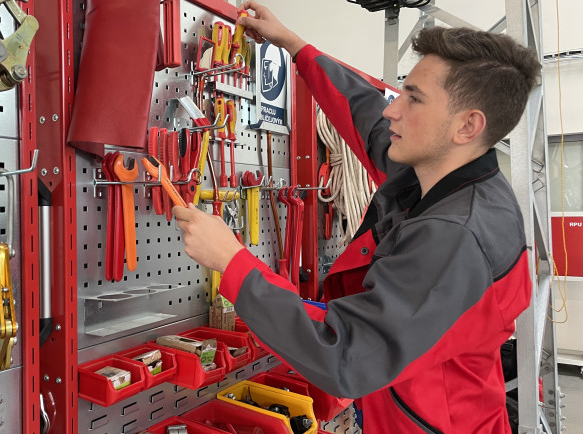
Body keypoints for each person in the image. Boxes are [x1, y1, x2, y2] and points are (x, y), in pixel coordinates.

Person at [173, 2, 540, 433]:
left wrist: (232, 262)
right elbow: (364, 113)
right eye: (402, 91)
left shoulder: (455, 236)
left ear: (467, 126)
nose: (392, 109)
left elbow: (344, 355)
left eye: (414, 99)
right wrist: (295, 46)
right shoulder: (436, 168)